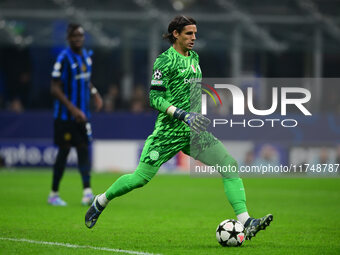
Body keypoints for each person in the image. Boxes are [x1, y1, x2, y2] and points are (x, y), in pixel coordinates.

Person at [85, 16, 272, 240]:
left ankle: (246, 221)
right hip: (168, 133)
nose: (194, 38)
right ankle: (101, 200)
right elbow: (154, 97)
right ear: (176, 34)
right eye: (189, 34)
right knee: (140, 178)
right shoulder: (164, 61)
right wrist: (182, 114)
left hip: (194, 132)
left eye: (195, 34)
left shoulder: (194, 58)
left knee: (229, 165)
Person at [48, 23, 103, 206]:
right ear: (68, 38)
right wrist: (73, 109)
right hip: (65, 117)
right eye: (74, 36)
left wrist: (94, 93)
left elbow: (86, 80)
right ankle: (53, 194)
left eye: (80, 35)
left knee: (83, 150)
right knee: (63, 152)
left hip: (83, 115)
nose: (77, 38)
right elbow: (54, 89)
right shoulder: (63, 58)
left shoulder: (87, 57)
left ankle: (87, 193)